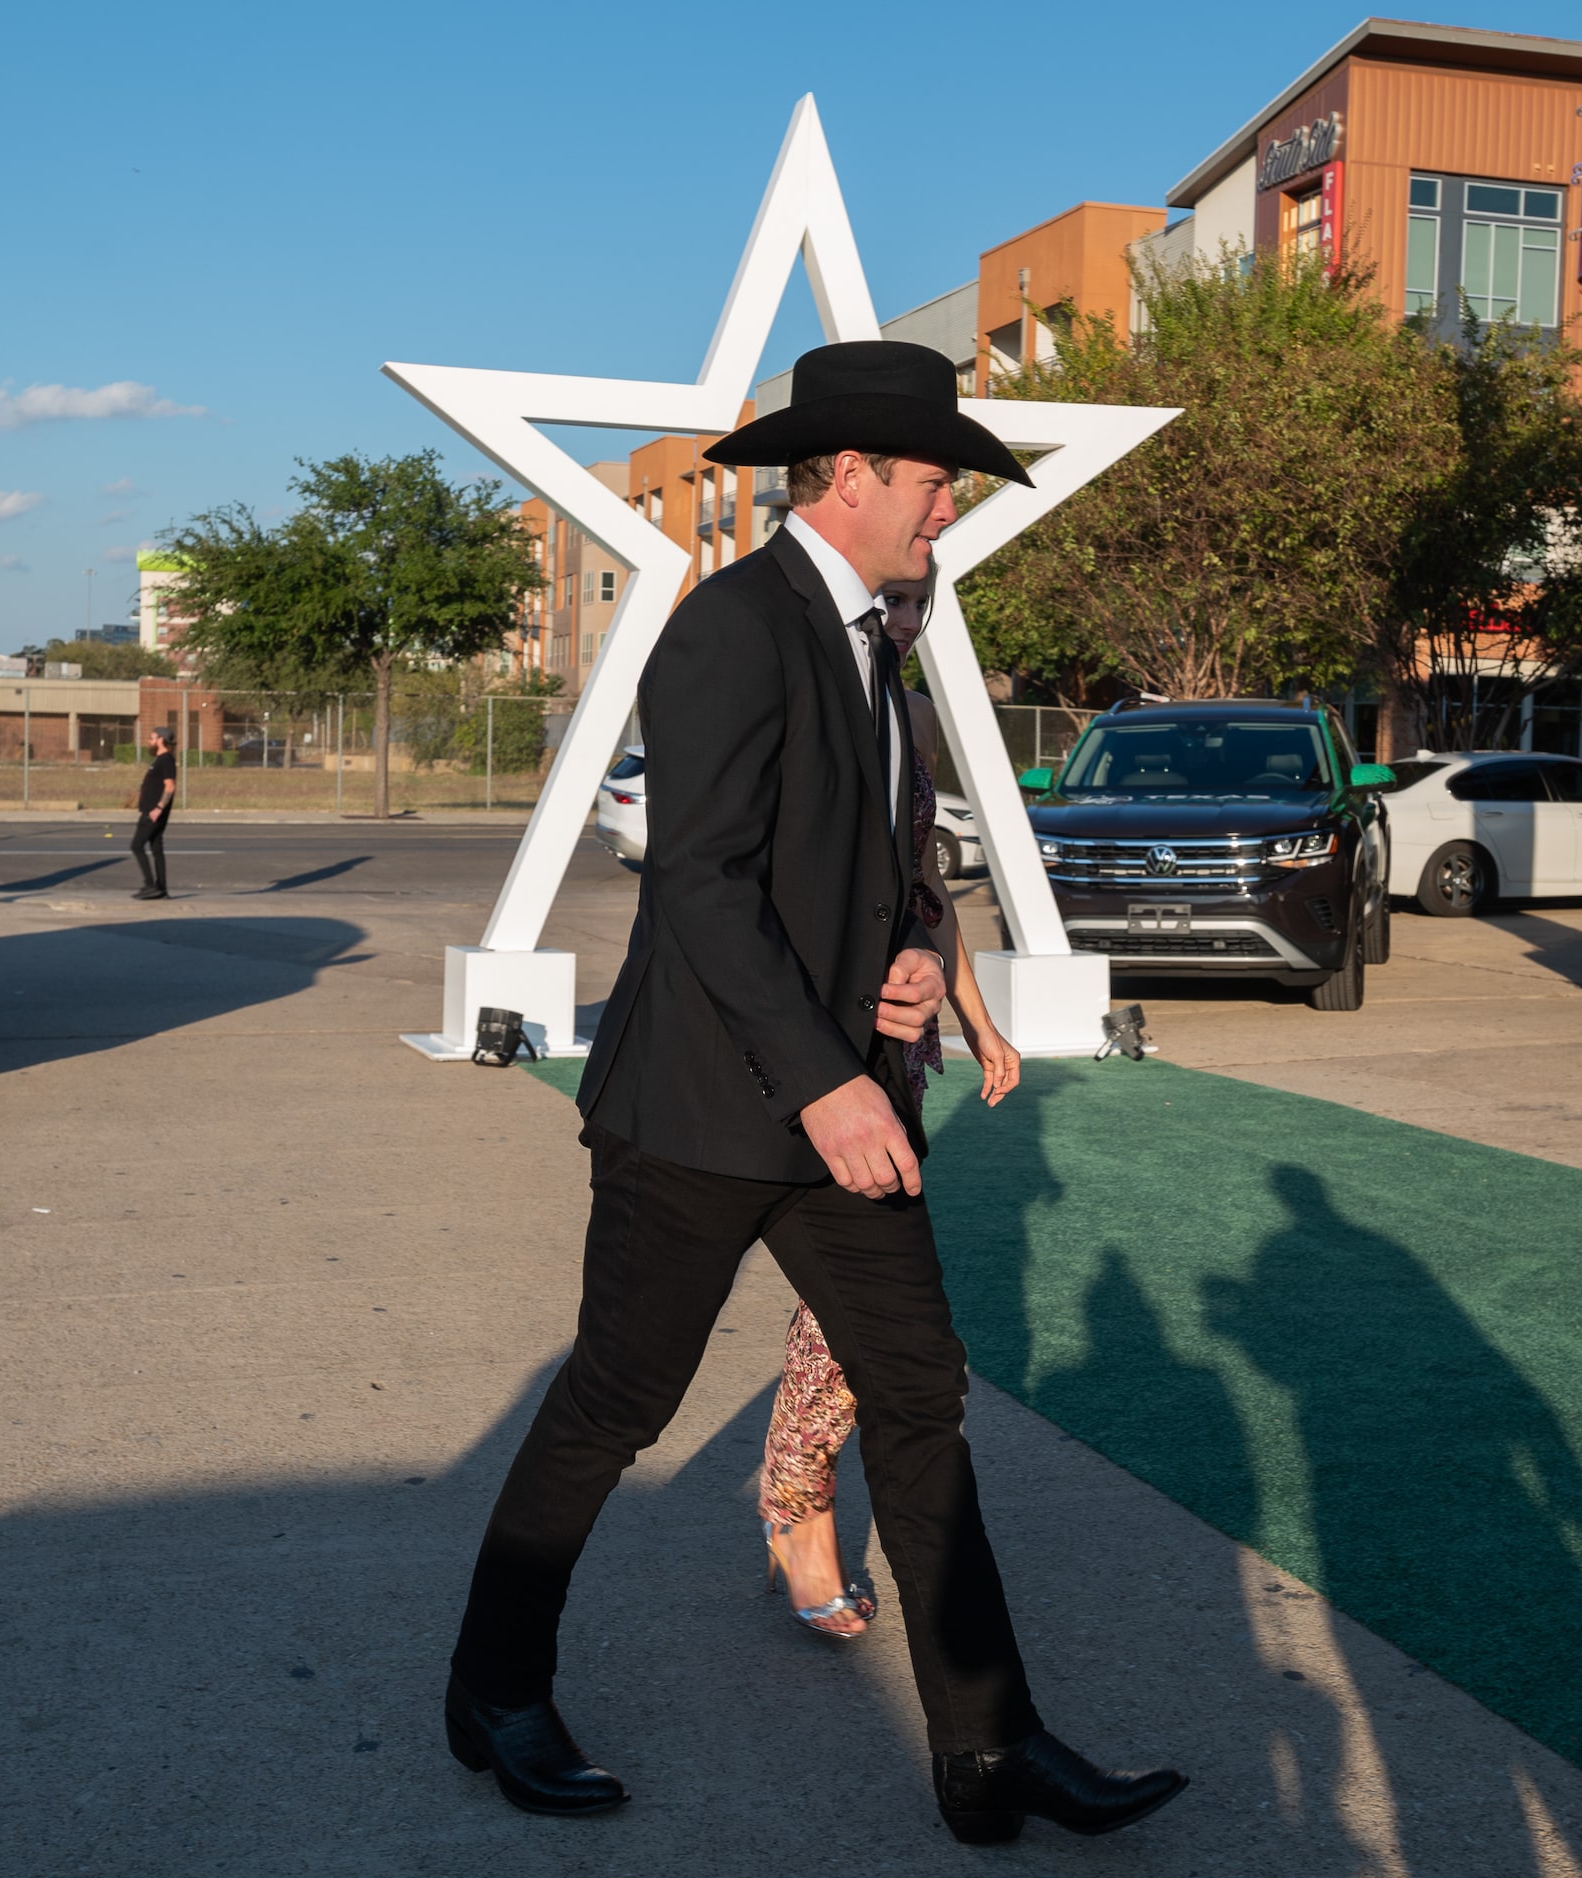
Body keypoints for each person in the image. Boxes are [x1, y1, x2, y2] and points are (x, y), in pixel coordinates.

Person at [444, 341, 1184, 1845]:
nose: (943, 513)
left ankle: (990, 1744)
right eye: (929, 484)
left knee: (920, 1396)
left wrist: (915, 963)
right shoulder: (729, 626)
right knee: (618, 1399)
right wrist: (831, 1081)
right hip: (706, 1112)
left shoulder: (884, 639)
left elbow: (889, 867)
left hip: (844, 1098)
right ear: (849, 478)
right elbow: (703, 888)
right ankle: (494, 1684)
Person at [757, 582, 1024, 1640]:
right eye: (890, 599)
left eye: (918, 601)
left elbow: (925, 887)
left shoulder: (905, 718)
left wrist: (976, 1019)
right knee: (833, 1316)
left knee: (845, 1313)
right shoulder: (790, 692)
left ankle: (794, 1508)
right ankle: (793, 1507)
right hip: (792, 1050)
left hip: (893, 1056)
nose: (903, 613)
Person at [131, 726, 176, 900]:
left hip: (153, 813)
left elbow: (170, 786)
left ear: (161, 740)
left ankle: (150, 885)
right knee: (156, 848)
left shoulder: (165, 760)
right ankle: (161, 888)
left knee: (136, 845)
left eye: (152, 738)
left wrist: (158, 808)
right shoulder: (160, 760)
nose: (149, 741)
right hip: (151, 811)